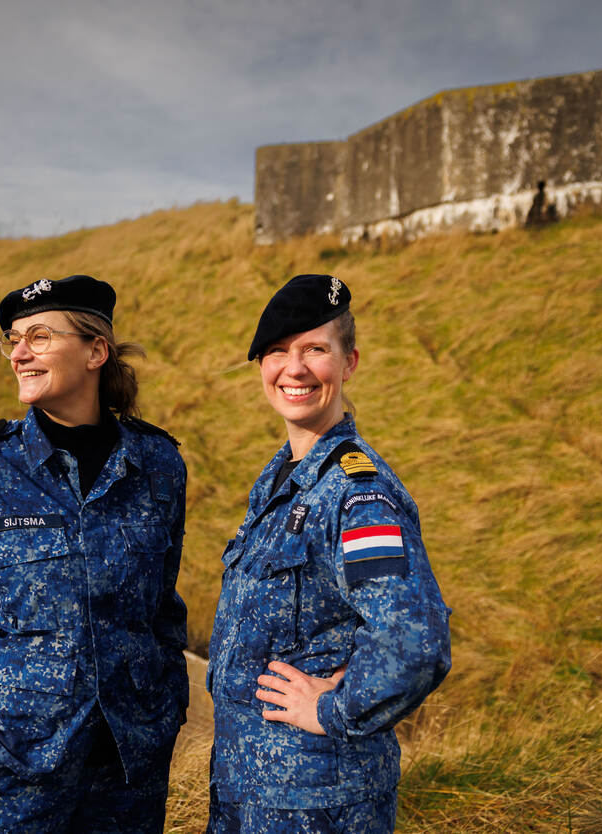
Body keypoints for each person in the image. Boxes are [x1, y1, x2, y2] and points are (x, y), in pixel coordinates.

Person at [0, 274, 190, 833]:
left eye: (41, 337)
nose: (19, 353)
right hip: (9, 774)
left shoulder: (158, 466)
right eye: (14, 339)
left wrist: (165, 714)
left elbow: (162, 611)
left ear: (96, 350)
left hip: (127, 779)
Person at [207, 274, 452, 833]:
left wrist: (331, 709)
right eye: (276, 353)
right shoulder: (281, 479)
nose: (293, 369)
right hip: (249, 796)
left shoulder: (356, 494)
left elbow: (415, 640)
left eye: (314, 350)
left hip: (318, 805)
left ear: (349, 363)